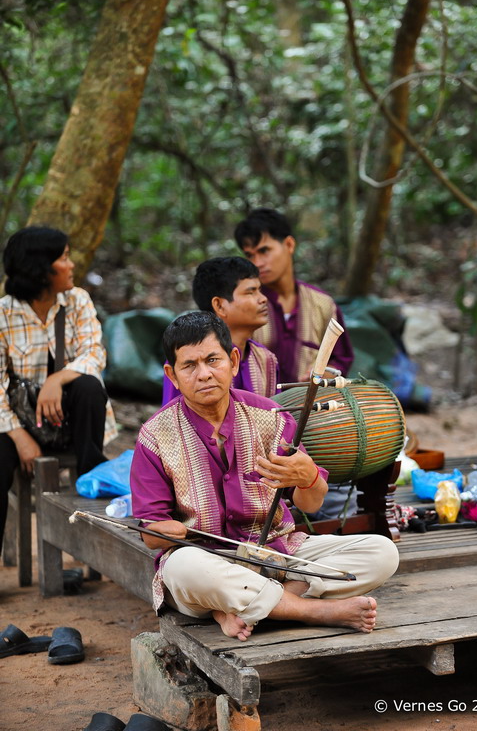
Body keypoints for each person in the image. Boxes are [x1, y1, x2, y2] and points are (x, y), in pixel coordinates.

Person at [131, 312, 398, 641]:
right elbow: (152, 536)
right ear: (172, 375)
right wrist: (165, 531)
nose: (203, 374)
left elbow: (311, 504)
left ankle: (242, 607)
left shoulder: (270, 417)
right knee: (182, 567)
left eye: (213, 360)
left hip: (278, 553)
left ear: (232, 360)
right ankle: (311, 610)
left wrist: (309, 477)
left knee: (382, 553)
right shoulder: (155, 436)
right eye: (190, 365)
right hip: (210, 565)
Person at [0, 226, 116, 553]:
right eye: (64, 258)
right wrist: (19, 436)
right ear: (41, 270)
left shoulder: (77, 300)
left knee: (89, 386)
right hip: (20, 427)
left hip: (74, 424)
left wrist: (57, 378)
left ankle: (94, 503)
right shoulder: (4, 314)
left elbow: (95, 353)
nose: (72, 264)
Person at [234, 208, 354, 384]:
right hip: (259, 409)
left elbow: (341, 359)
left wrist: (327, 374)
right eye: (250, 255)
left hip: (313, 408)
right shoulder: (243, 304)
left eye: (264, 250)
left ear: (289, 245)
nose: (257, 263)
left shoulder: (323, 304)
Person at [162, 257, 279, 403]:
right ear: (219, 305)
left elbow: (277, 417)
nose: (263, 299)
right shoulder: (185, 360)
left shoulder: (266, 359)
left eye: (259, 290)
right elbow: (173, 420)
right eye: (250, 292)